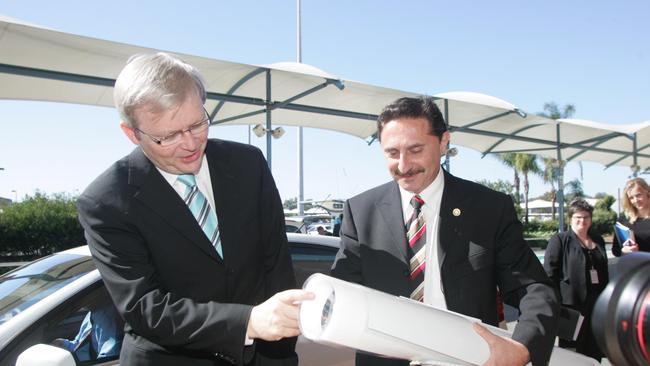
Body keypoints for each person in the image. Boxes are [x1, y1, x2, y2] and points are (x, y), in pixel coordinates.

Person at [77, 52, 313, 366]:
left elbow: (277, 264)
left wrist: (281, 349)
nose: (190, 143)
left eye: (198, 123)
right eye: (169, 136)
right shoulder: (106, 201)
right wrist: (248, 322)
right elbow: (145, 307)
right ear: (131, 133)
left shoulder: (248, 164)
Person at [331, 96, 558, 366]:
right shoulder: (360, 211)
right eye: (392, 153)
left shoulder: (489, 208)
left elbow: (532, 288)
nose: (403, 166)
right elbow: (342, 292)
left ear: (444, 142)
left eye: (415, 150)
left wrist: (522, 347)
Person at [543, 199, 608, 361]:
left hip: (596, 305)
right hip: (571, 307)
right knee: (572, 352)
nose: (582, 221)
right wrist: (554, 302)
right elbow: (549, 274)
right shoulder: (560, 240)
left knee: (594, 348)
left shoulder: (597, 239)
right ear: (570, 219)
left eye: (586, 217)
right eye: (578, 217)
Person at [612, 177, 650, 256]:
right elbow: (615, 250)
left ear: (647, 192)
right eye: (631, 198)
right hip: (634, 267)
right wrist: (625, 251)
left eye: (638, 195)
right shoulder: (623, 220)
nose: (636, 200)